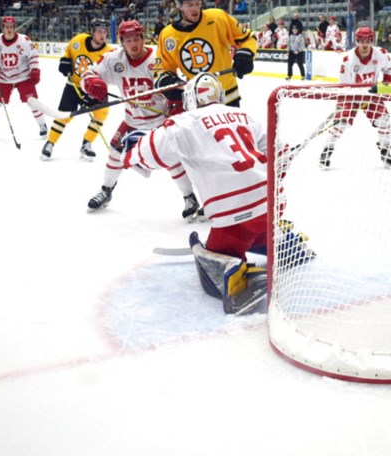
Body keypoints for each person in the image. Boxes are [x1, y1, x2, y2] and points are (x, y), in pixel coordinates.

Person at [119, 73, 311, 314]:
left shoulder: (183, 123)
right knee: (261, 224)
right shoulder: (245, 115)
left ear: (190, 98)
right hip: (272, 202)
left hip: (235, 215)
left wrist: (130, 152)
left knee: (213, 257)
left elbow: (149, 153)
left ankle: (235, 274)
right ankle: (282, 242)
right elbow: (278, 153)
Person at [78, 19, 202, 218]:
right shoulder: (113, 59)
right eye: (128, 40)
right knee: (115, 153)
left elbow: (178, 86)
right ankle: (106, 190)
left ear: (143, 38)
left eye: (136, 38)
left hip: (159, 120)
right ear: (121, 41)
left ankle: (189, 197)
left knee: (171, 158)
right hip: (132, 120)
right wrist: (91, 83)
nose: (133, 44)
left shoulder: (157, 58)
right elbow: (88, 74)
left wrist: (176, 100)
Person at [153, 0, 256, 108]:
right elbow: (161, 68)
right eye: (189, 4)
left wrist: (245, 54)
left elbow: (247, 38)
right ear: (179, 6)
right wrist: (167, 81)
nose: (195, 8)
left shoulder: (218, 18)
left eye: (197, 3)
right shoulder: (168, 35)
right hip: (196, 102)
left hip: (228, 97)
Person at [320, 26, 391, 169]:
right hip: (351, 95)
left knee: (384, 121)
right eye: (361, 41)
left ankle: (385, 151)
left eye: (368, 41)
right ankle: (327, 150)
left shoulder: (380, 53)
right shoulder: (348, 59)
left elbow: (390, 67)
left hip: (371, 95)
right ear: (356, 42)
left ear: (371, 41)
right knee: (341, 124)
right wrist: (347, 103)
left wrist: (387, 82)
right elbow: (344, 85)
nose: (365, 45)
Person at [41, 18, 113, 161]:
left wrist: (95, 93)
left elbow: (109, 75)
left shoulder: (109, 53)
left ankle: (87, 144)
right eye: (99, 31)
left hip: (95, 89)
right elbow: (68, 53)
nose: (102, 35)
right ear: (92, 32)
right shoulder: (78, 40)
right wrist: (65, 62)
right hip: (73, 85)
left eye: (104, 32)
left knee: (101, 113)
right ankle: (50, 143)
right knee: (64, 116)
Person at [0, 16, 47, 140]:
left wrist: (35, 70)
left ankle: (42, 125)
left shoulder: (24, 41)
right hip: (4, 77)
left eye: (11, 27)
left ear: (14, 27)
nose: (9, 29)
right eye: (7, 27)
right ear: (3, 27)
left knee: (33, 103)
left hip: (23, 76)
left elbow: (33, 55)